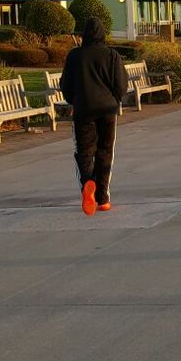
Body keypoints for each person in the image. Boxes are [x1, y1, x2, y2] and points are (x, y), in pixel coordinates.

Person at [60, 16, 128, 215]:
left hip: (83, 110)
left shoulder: (74, 56)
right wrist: (115, 100)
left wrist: (74, 100)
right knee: (105, 152)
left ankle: (87, 183)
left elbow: (66, 85)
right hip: (107, 110)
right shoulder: (111, 55)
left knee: (84, 151)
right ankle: (103, 198)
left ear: (84, 34)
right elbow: (121, 85)